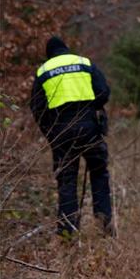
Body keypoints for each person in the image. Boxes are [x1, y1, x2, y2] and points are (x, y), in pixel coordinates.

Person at [30, 36, 113, 236]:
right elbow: (103, 92)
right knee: (99, 173)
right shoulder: (84, 63)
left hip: (61, 132)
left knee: (67, 182)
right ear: (66, 48)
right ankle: (105, 226)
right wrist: (89, 108)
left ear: (49, 54)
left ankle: (67, 234)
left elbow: (37, 108)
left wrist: (51, 133)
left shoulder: (43, 71)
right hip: (90, 128)